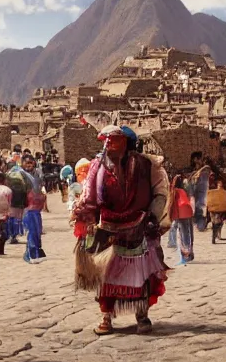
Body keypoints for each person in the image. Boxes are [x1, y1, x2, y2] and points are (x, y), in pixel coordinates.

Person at [72, 126, 170, 335]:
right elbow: (90, 195)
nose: (109, 145)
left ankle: (142, 315)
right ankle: (106, 316)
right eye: (107, 141)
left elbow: (160, 193)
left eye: (114, 141)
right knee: (106, 276)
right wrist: (83, 214)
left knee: (143, 275)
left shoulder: (147, 165)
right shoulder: (98, 167)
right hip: (108, 228)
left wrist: (152, 216)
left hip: (140, 225)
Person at [20, 155, 48, 264]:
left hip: (36, 208)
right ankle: (31, 254)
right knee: (31, 231)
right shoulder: (21, 175)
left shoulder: (37, 174)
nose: (29, 165)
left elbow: (40, 187)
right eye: (26, 163)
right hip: (27, 208)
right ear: (22, 163)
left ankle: (34, 252)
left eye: (31, 163)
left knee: (37, 231)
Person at [167, 175, 195, 263]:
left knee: (183, 234)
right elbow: (192, 198)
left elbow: (170, 203)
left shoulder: (173, 191)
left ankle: (186, 255)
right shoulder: (185, 189)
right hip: (188, 211)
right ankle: (189, 252)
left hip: (180, 213)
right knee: (189, 232)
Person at [205, 178, 226, 244]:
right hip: (214, 209)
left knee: (219, 223)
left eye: (221, 185)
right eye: (219, 184)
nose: (220, 186)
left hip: (219, 209)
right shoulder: (214, 191)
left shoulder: (222, 192)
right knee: (215, 223)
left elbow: (224, 202)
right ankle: (215, 236)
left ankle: (217, 235)